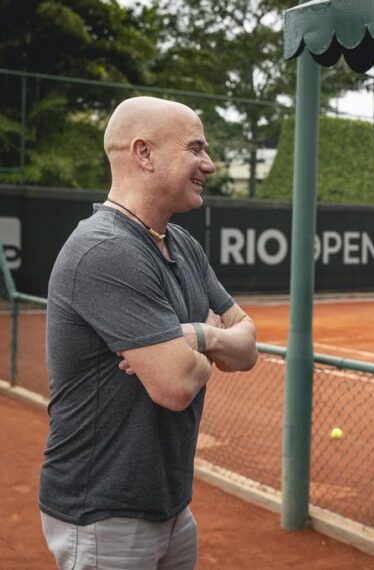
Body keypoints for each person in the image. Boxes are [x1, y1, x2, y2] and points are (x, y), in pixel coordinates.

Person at [40, 96, 258, 569]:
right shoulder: (106, 250)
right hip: (103, 513)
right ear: (144, 154)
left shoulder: (181, 244)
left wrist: (199, 337)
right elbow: (176, 385)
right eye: (196, 148)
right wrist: (211, 338)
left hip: (170, 505)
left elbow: (247, 347)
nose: (210, 164)